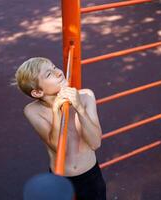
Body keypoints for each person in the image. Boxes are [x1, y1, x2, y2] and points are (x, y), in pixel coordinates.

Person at [13, 57, 106, 200]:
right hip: (61, 175)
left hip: (90, 174)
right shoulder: (32, 111)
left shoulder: (86, 95)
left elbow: (95, 143)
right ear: (37, 92)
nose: (58, 72)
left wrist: (80, 108)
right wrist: (56, 112)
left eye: (54, 67)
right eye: (49, 74)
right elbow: (58, 147)